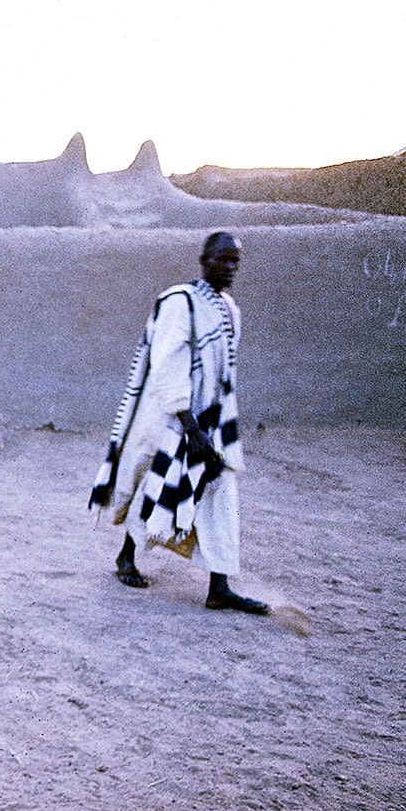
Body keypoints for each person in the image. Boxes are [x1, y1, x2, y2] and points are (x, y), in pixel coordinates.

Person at [89, 232, 269, 614]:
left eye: (236, 260)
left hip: (209, 422)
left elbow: (223, 375)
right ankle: (127, 556)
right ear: (204, 260)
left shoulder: (228, 308)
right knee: (159, 487)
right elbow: (167, 362)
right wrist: (190, 427)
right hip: (172, 418)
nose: (230, 267)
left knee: (218, 488)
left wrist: (217, 429)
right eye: (223, 259)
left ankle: (219, 586)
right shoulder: (180, 302)